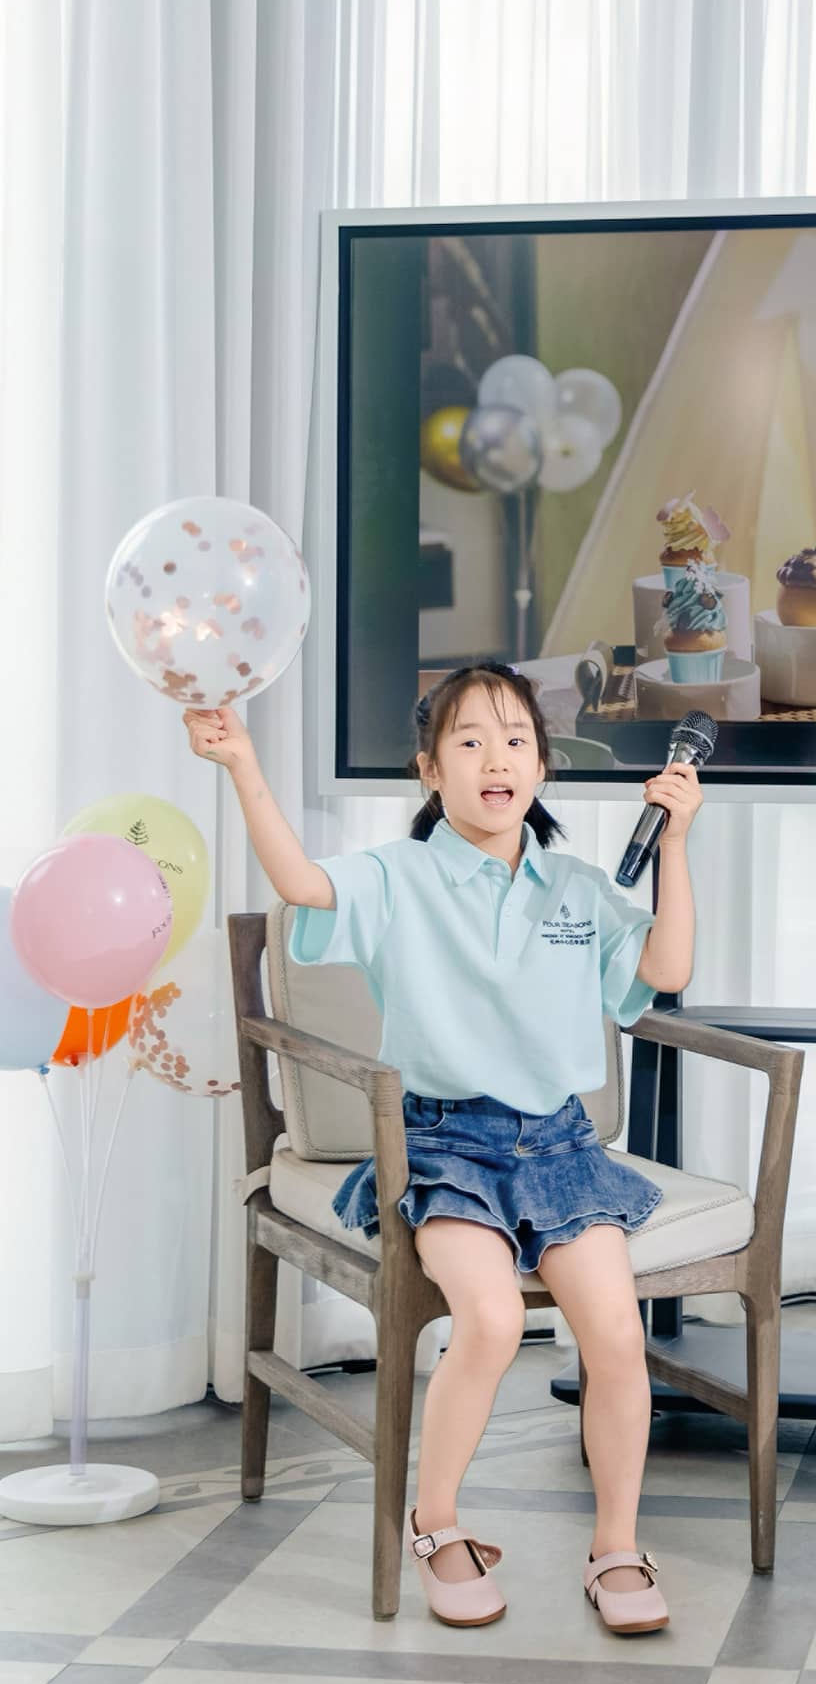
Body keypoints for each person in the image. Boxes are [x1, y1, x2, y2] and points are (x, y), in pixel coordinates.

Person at [186, 663, 701, 1633]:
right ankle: (435, 1521)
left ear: (542, 765)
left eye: (515, 739)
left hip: (559, 1147)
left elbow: (667, 968)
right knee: (494, 1320)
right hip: (443, 1144)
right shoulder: (397, 876)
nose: (495, 758)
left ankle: (617, 1546)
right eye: (468, 741)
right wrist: (242, 763)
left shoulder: (582, 886)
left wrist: (676, 839)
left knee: (620, 1335)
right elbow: (300, 883)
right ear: (430, 769)